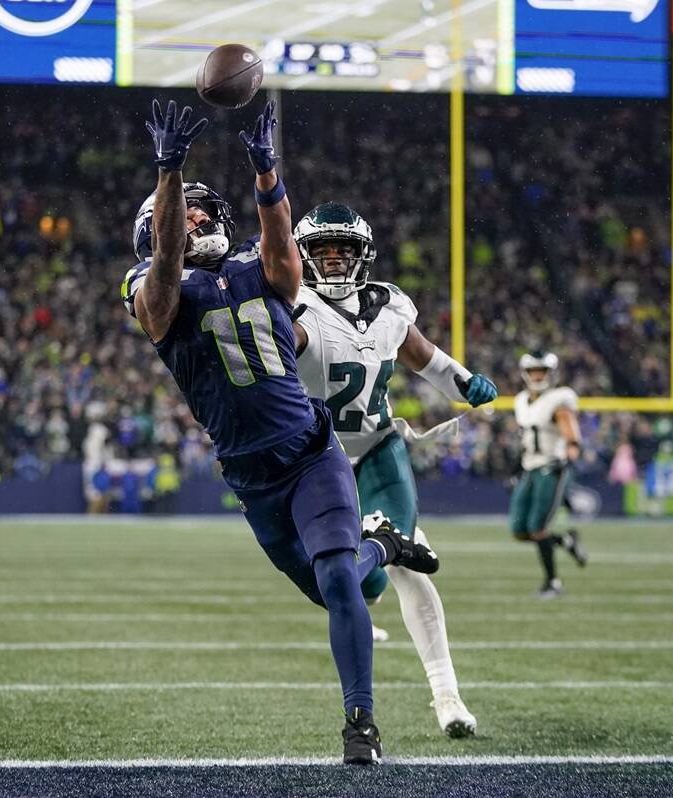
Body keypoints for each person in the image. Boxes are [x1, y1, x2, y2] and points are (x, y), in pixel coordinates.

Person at [121, 101, 439, 765]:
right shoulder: (150, 291)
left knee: (336, 585)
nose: (200, 219)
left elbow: (281, 251)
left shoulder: (255, 269)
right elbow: (166, 270)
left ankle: (361, 726)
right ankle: (381, 545)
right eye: (187, 214)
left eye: (208, 211)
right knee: (337, 582)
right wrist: (169, 169)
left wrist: (267, 173)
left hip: (311, 452)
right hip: (251, 475)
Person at [290, 202, 497, 738]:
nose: (334, 261)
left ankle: (447, 697)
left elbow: (423, 356)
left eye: (344, 250)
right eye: (322, 251)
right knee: (365, 576)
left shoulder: (387, 307)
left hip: (380, 447)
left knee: (405, 559)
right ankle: (371, 577)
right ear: (302, 257)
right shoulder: (290, 307)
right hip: (319, 459)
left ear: (364, 256)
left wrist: (464, 382)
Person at [511, 352, 588, 598]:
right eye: (534, 370)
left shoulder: (559, 400)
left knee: (538, 528)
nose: (538, 375)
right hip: (529, 467)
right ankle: (566, 540)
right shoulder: (522, 400)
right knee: (519, 529)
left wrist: (571, 452)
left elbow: (571, 435)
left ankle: (553, 583)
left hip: (550, 467)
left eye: (542, 371)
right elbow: (525, 438)